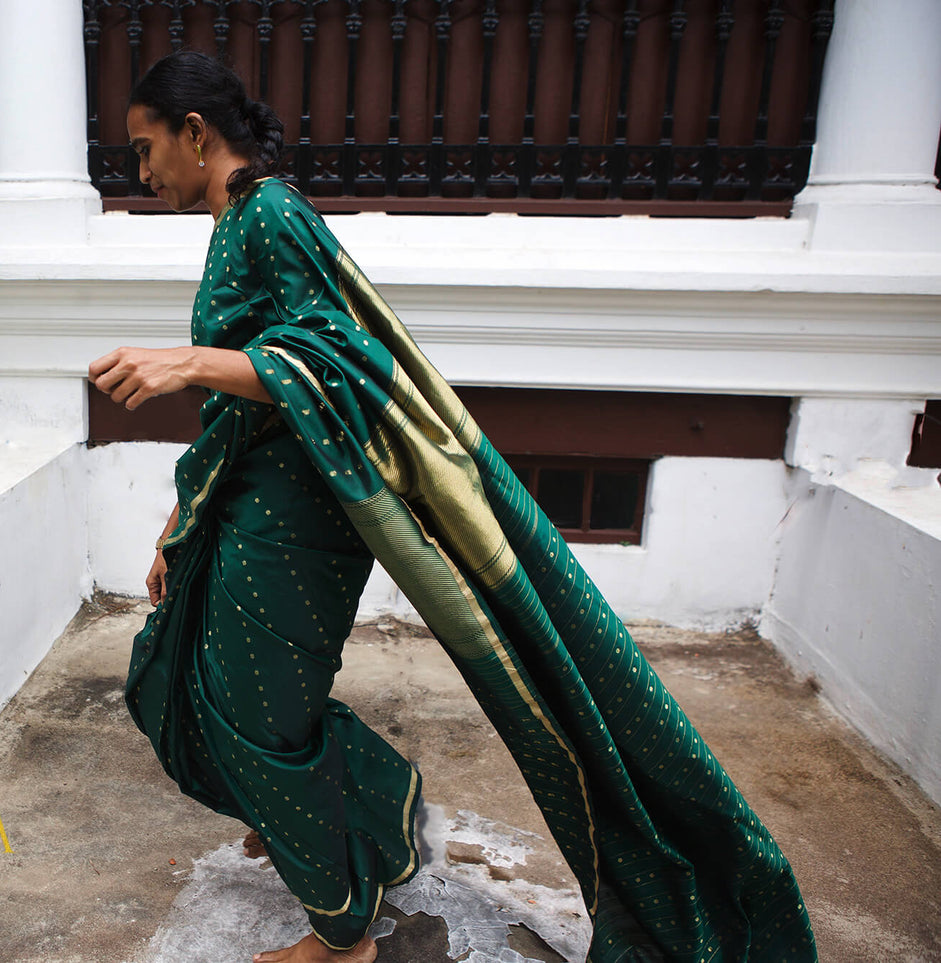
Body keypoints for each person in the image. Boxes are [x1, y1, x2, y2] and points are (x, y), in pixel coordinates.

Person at [90, 50, 817, 963]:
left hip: (300, 518)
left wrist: (186, 361)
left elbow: (346, 364)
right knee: (192, 679)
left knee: (253, 716)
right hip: (245, 499)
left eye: (146, 147)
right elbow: (252, 400)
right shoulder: (235, 219)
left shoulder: (272, 214)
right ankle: (375, 818)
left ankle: (341, 931)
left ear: (195, 134)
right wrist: (179, 520)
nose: (141, 171)